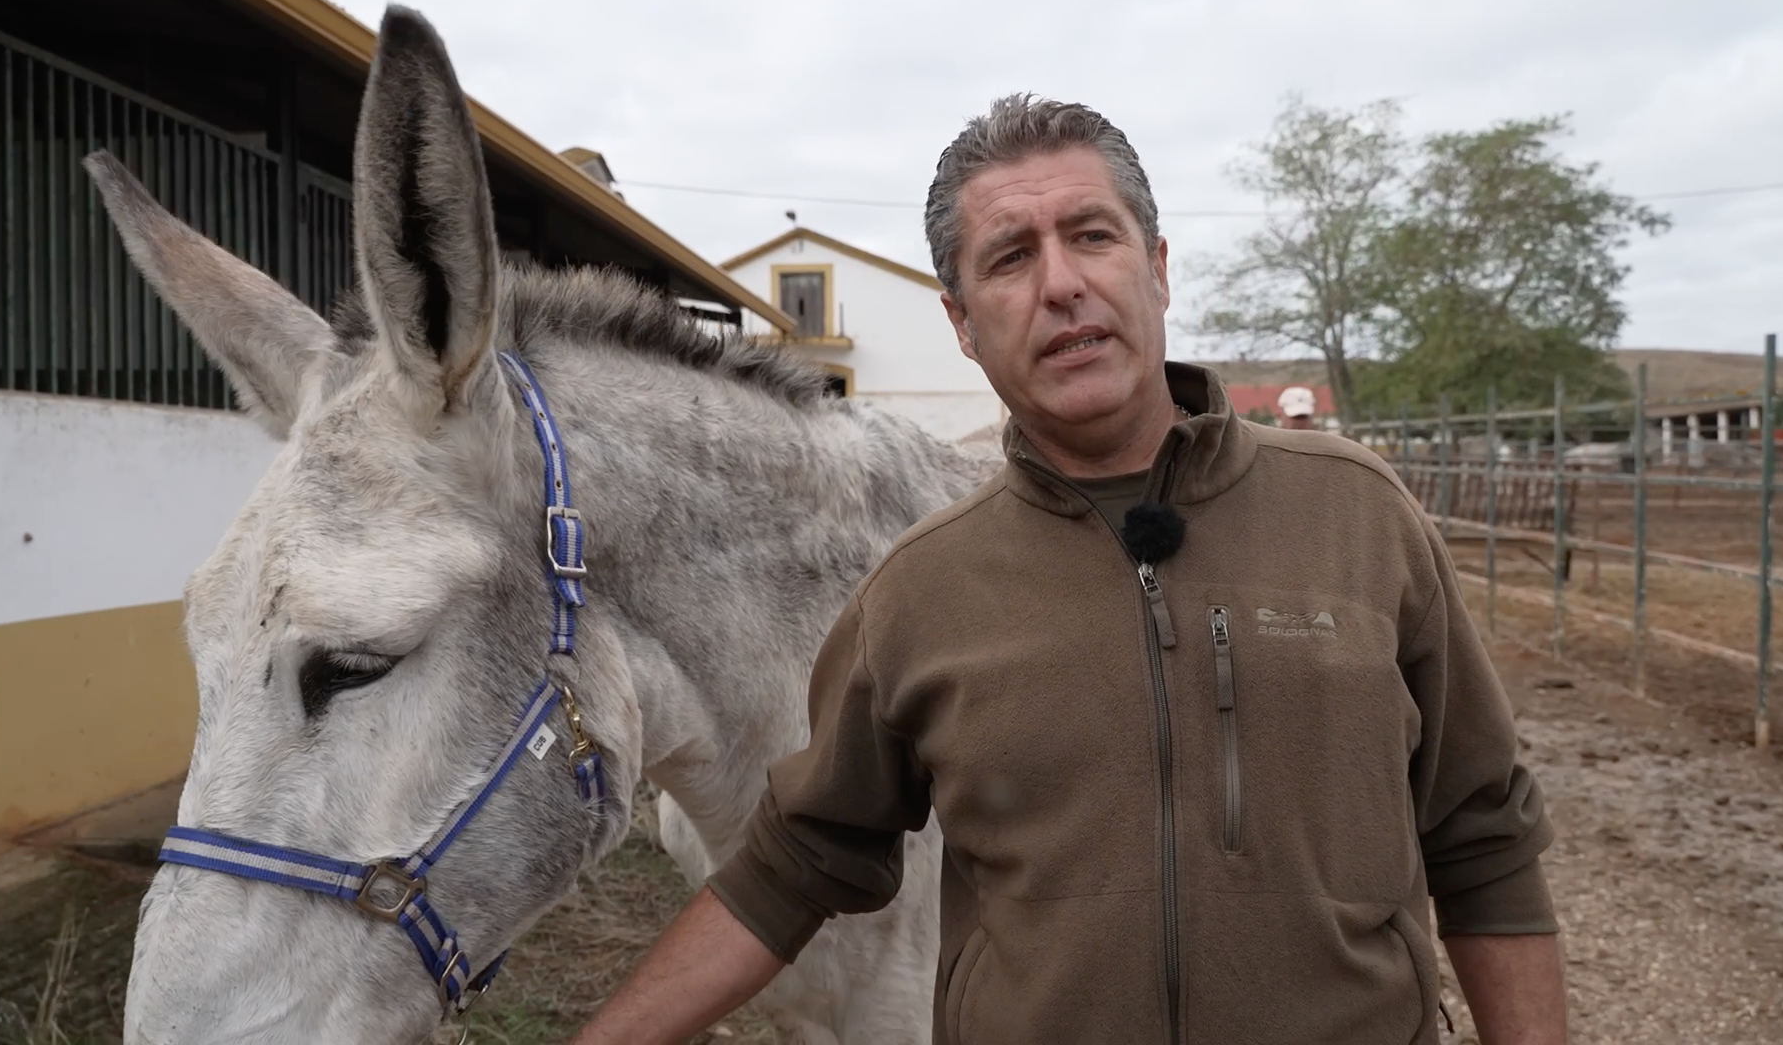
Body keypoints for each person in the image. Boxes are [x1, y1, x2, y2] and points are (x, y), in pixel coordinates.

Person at [572, 95, 1565, 1045]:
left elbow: (1483, 837)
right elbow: (791, 867)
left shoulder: (1359, 516)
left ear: (1158, 269)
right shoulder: (920, 592)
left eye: (1092, 235)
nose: (1061, 284)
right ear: (964, 325)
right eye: (1010, 257)